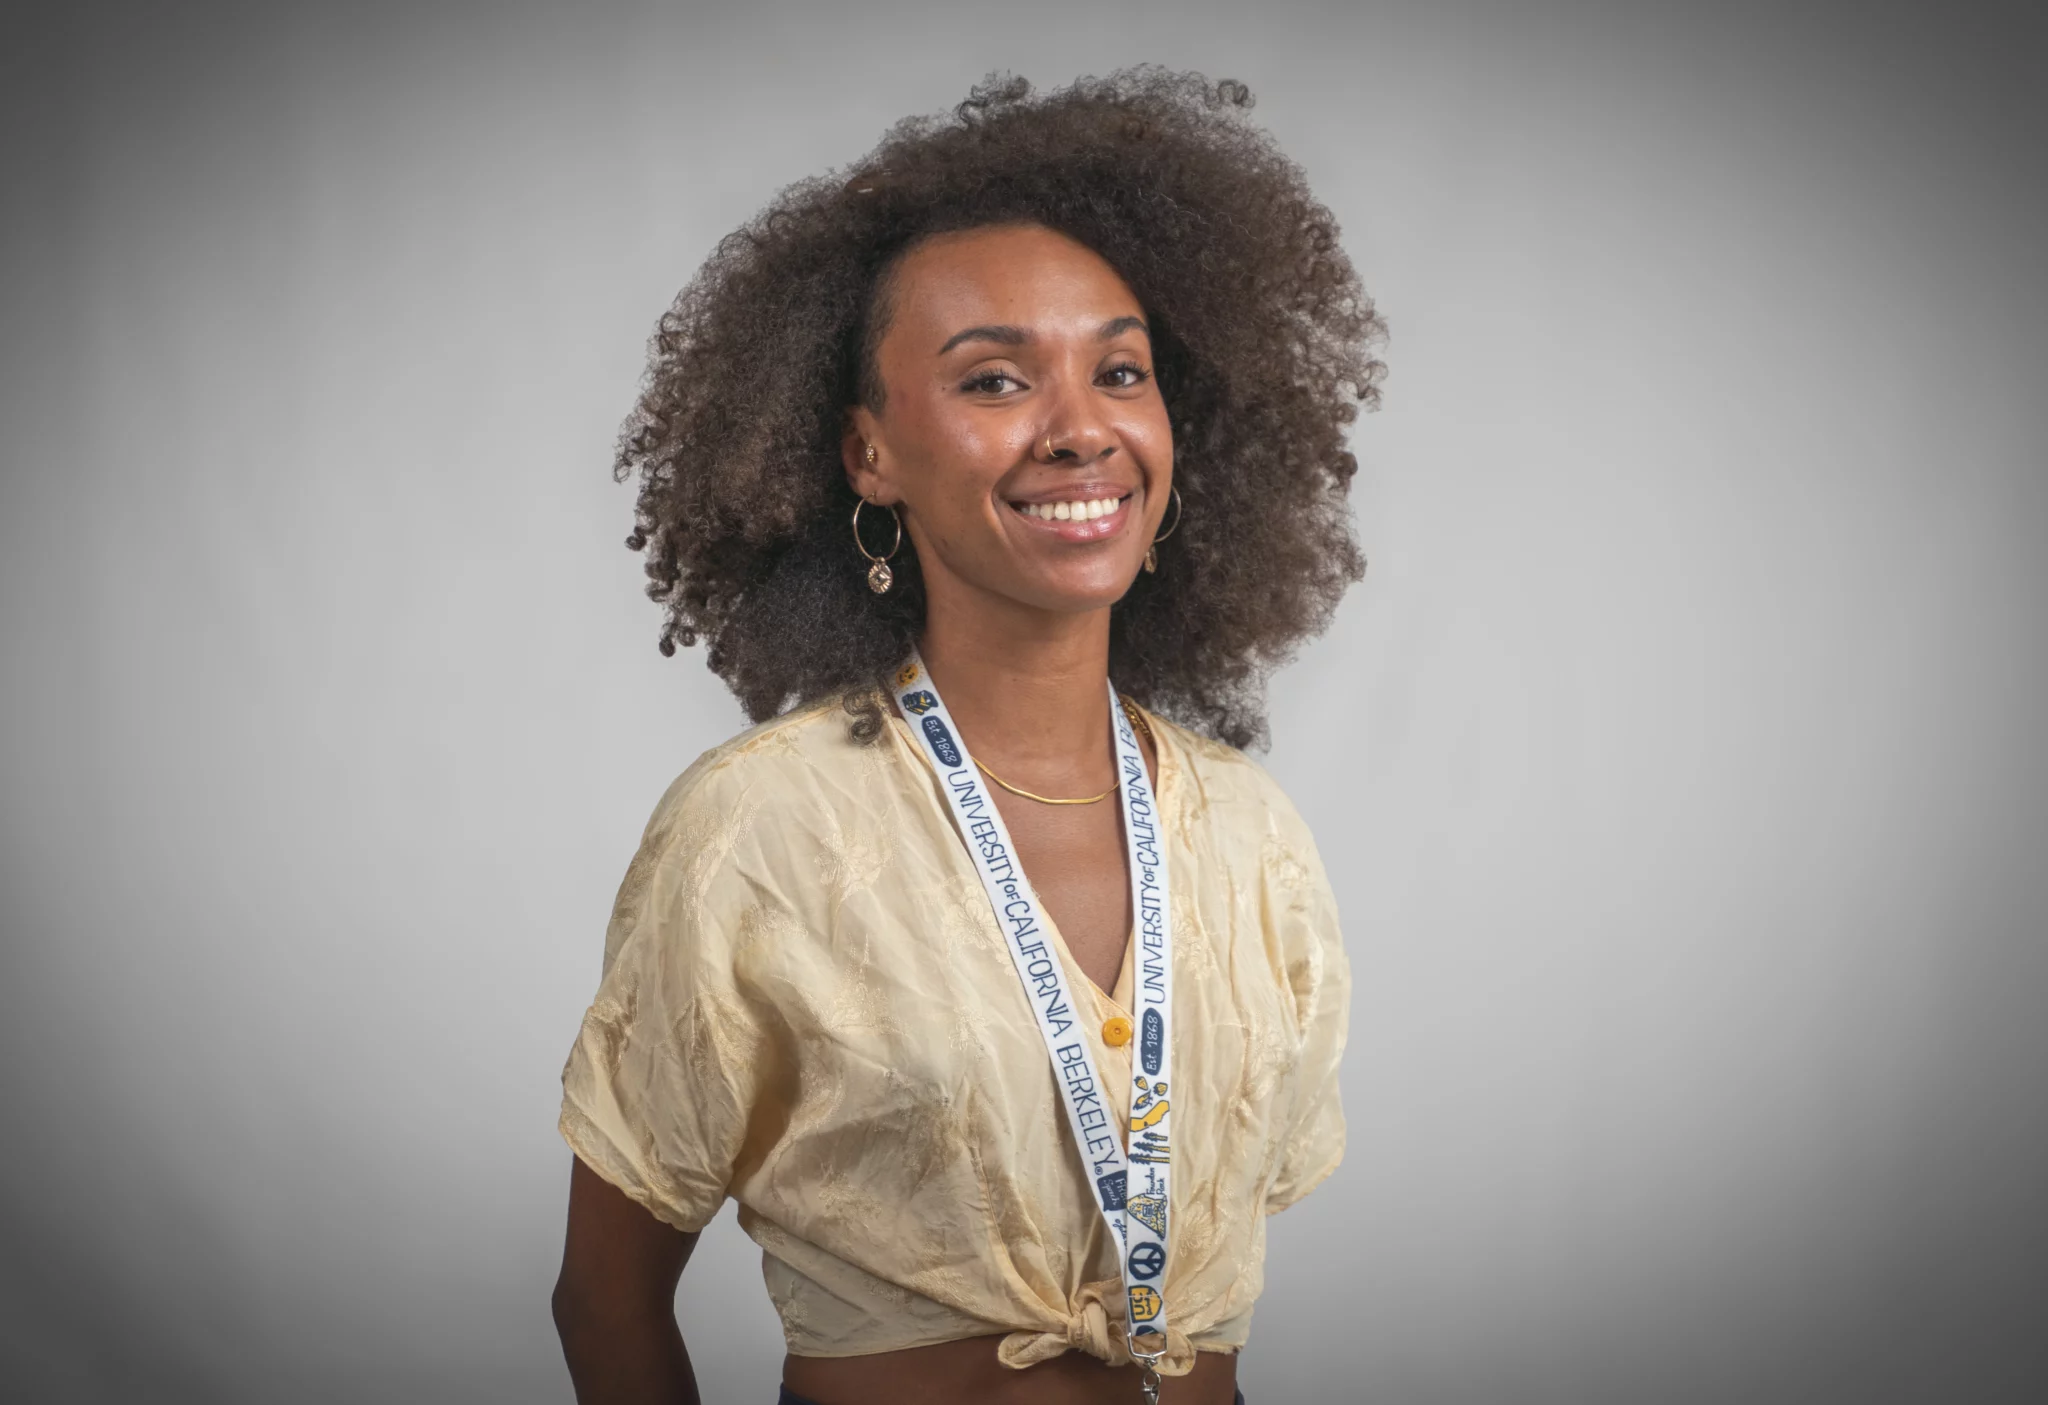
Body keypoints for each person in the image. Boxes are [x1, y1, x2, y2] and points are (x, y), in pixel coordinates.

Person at [550, 67, 1384, 1405]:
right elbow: (606, 1300)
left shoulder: (1251, 838)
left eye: (1122, 372)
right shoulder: (761, 831)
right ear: (868, 455)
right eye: (995, 380)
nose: (1082, 430)